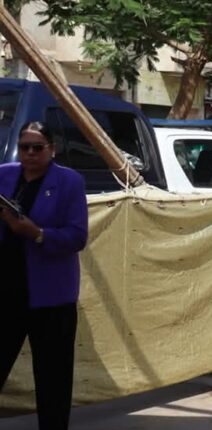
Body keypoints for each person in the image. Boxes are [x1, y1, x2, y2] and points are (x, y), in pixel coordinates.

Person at [0, 121, 89, 430]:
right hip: (7, 292)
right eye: (24, 147)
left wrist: (37, 233)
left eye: (37, 147)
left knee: (53, 383)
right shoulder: (4, 175)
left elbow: (77, 237)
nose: (30, 153)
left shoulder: (69, 182)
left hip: (51, 297)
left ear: (52, 149)